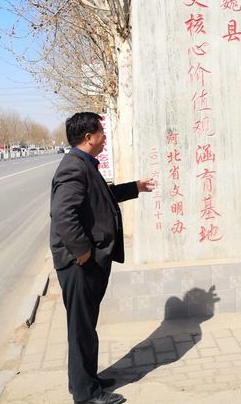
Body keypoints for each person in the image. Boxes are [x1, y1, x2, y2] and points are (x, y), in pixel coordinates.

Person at [50, 112, 156, 404]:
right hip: (79, 263)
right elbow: (63, 214)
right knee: (82, 327)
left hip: (86, 261)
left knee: (84, 325)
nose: (104, 138)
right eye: (101, 133)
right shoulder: (73, 167)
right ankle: (87, 395)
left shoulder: (82, 164)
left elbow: (101, 197)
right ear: (88, 138)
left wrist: (135, 187)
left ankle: (84, 381)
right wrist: (83, 251)